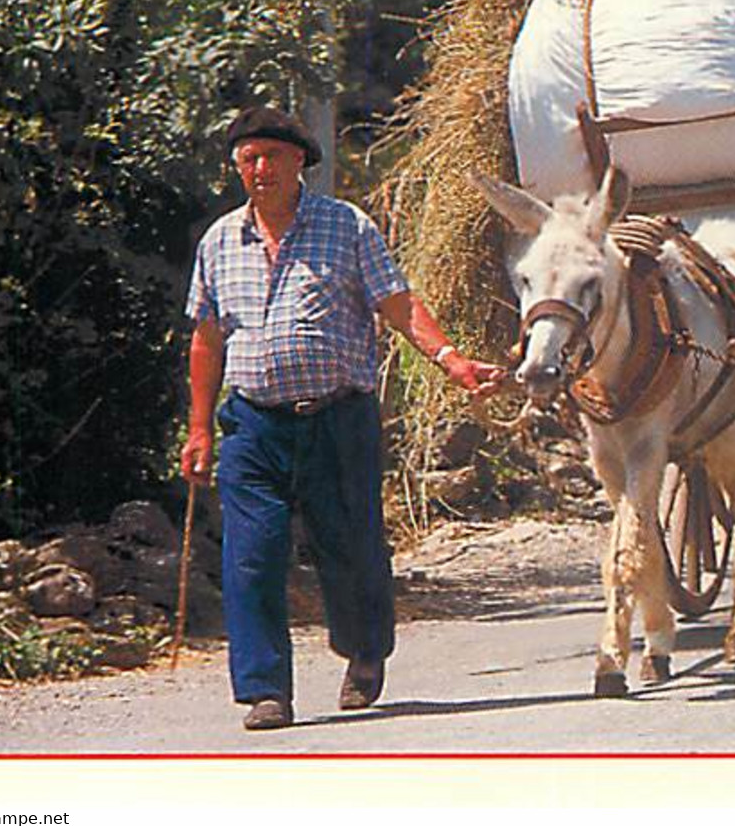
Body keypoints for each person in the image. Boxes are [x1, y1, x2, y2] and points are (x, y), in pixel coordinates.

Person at [181, 104, 503, 731]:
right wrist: (198, 428)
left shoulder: (345, 226)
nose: (259, 168)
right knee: (251, 554)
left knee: (352, 548)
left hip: (337, 418)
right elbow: (206, 337)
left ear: (300, 160)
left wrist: (450, 359)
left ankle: (363, 652)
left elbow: (397, 304)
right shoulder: (220, 240)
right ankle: (264, 689)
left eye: (271, 155)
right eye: (248, 159)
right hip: (252, 424)